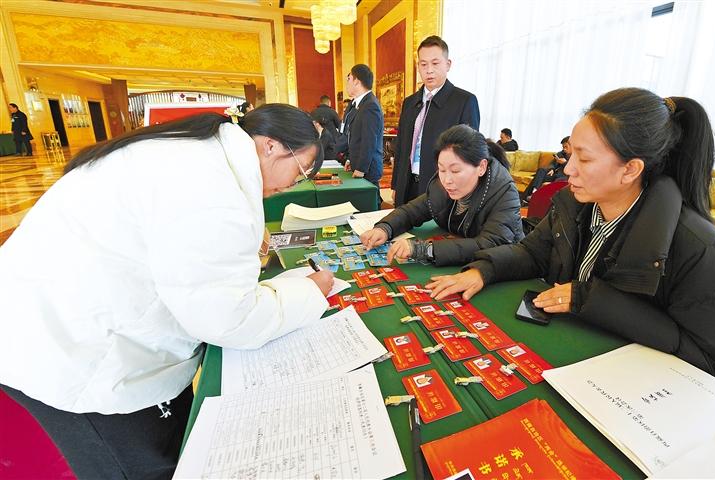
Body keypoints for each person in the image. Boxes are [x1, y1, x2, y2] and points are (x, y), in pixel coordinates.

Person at [0, 104, 335, 479]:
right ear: (271, 145)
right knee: (143, 466)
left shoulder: (200, 153)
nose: (291, 186)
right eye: (300, 171)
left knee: (176, 447)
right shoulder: (209, 183)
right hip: (77, 352)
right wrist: (309, 292)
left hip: (73, 324)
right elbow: (227, 318)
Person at [427, 87, 715, 395]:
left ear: (630, 170)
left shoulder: (702, 250)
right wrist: (484, 270)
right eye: (571, 154)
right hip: (588, 371)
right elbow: (532, 253)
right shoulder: (575, 205)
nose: (568, 169)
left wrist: (592, 301)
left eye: (584, 159)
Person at [360, 124, 524, 265]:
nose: (447, 180)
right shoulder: (440, 186)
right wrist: (385, 228)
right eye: (442, 169)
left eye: (455, 171)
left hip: (503, 268)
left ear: (481, 167)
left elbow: (490, 244)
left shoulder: (504, 192)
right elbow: (411, 211)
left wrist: (425, 250)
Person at [391, 35, 480, 206]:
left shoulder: (464, 101)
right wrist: (396, 184)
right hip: (407, 184)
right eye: (423, 64)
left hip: (442, 188)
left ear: (448, 64)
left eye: (435, 63)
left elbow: (469, 155)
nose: (429, 70)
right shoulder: (410, 103)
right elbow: (401, 147)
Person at [337, 64, 384, 197]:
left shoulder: (370, 105)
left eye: (349, 79)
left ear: (357, 81)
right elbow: (353, 136)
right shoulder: (358, 104)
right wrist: (350, 160)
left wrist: (361, 168)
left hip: (367, 169)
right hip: (358, 165)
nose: (347, 83)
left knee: (370, 202)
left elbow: (369, 141)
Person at [520, 135, 571, 203]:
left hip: (562, 177)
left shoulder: (576, 157)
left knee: (537, 179)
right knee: (541, 170)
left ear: (572, 145)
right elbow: (552, 163)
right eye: (563, 147)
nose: (564, 149)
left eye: (566, 147)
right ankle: (534, 192)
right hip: (554, 174)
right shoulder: (561, 153)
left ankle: (526, 198)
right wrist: (552, 169)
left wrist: (565, 163)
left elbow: (573, 170)